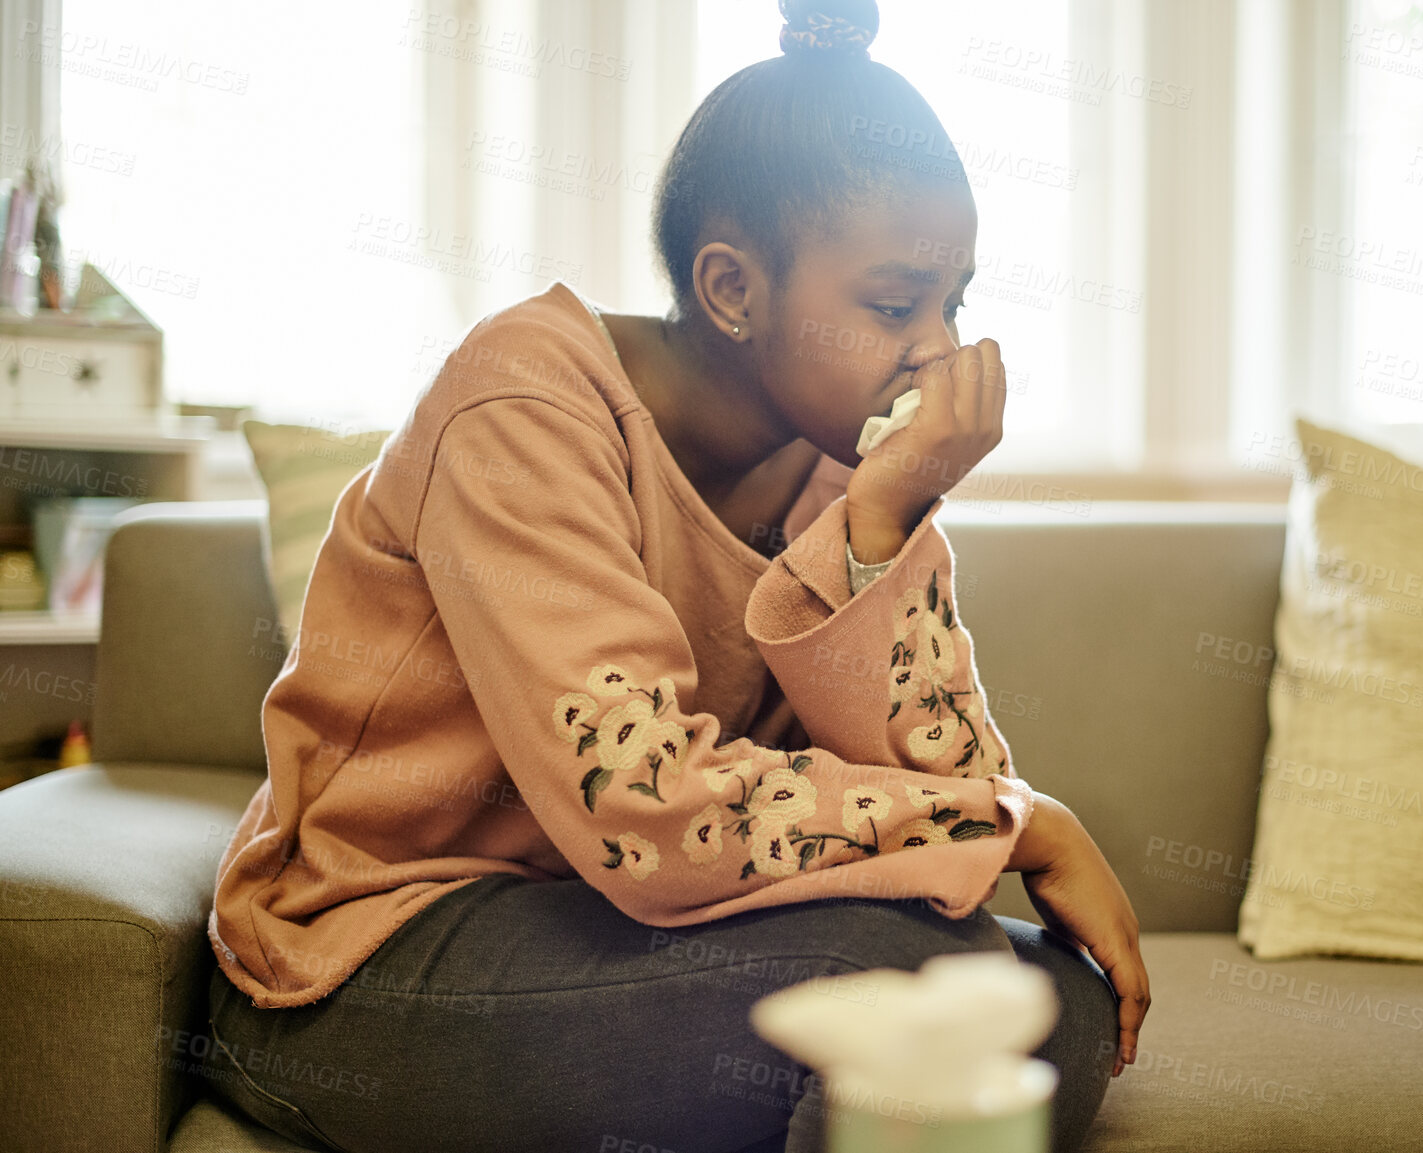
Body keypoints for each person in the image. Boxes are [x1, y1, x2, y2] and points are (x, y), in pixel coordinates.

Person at [202, 2, 1149, 1150]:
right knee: (907, 984)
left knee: (1044, 997)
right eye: (893, 305)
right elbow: (643, 808)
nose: (937, 351)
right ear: (732, 289)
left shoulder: (841, 465)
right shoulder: (525, 405)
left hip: (616, 935)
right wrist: (1019, 825)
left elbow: (937, 806)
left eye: (954, 304)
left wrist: (887, 526)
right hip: (370, 958)